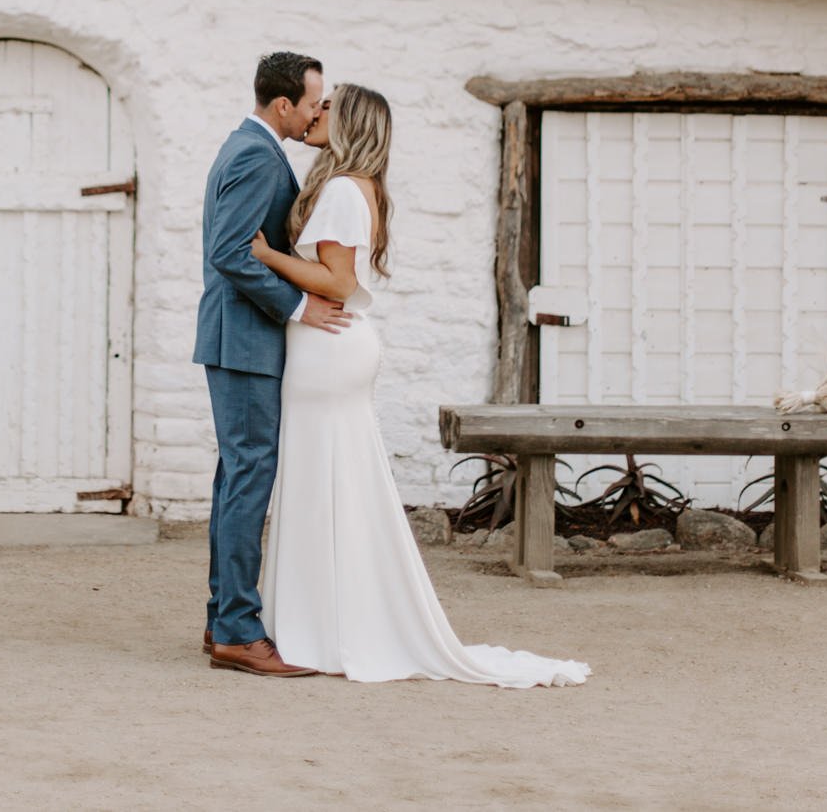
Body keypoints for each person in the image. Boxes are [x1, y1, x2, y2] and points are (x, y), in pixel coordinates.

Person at [249, 83, 589, 687]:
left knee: (325, 484)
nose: (316, 111)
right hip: (331, 351)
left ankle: (325, 628)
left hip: (327, 350)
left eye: (328, 106)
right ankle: (321, 622)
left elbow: (337, 281)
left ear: (349, 121)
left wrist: (268, 256)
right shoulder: (360, 187)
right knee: (330, 485)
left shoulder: (342, 190)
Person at [194, 51, 351, 677]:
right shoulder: (258, 156)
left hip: (239, 341)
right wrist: (296, 306)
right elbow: (231, 252)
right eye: (313, 102)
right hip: (246, 343)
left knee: (238, 478)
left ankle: (221, 622)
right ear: (283, 104)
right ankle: (235, 630)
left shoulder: (249, 148)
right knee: (248, 480)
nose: (319, 112)